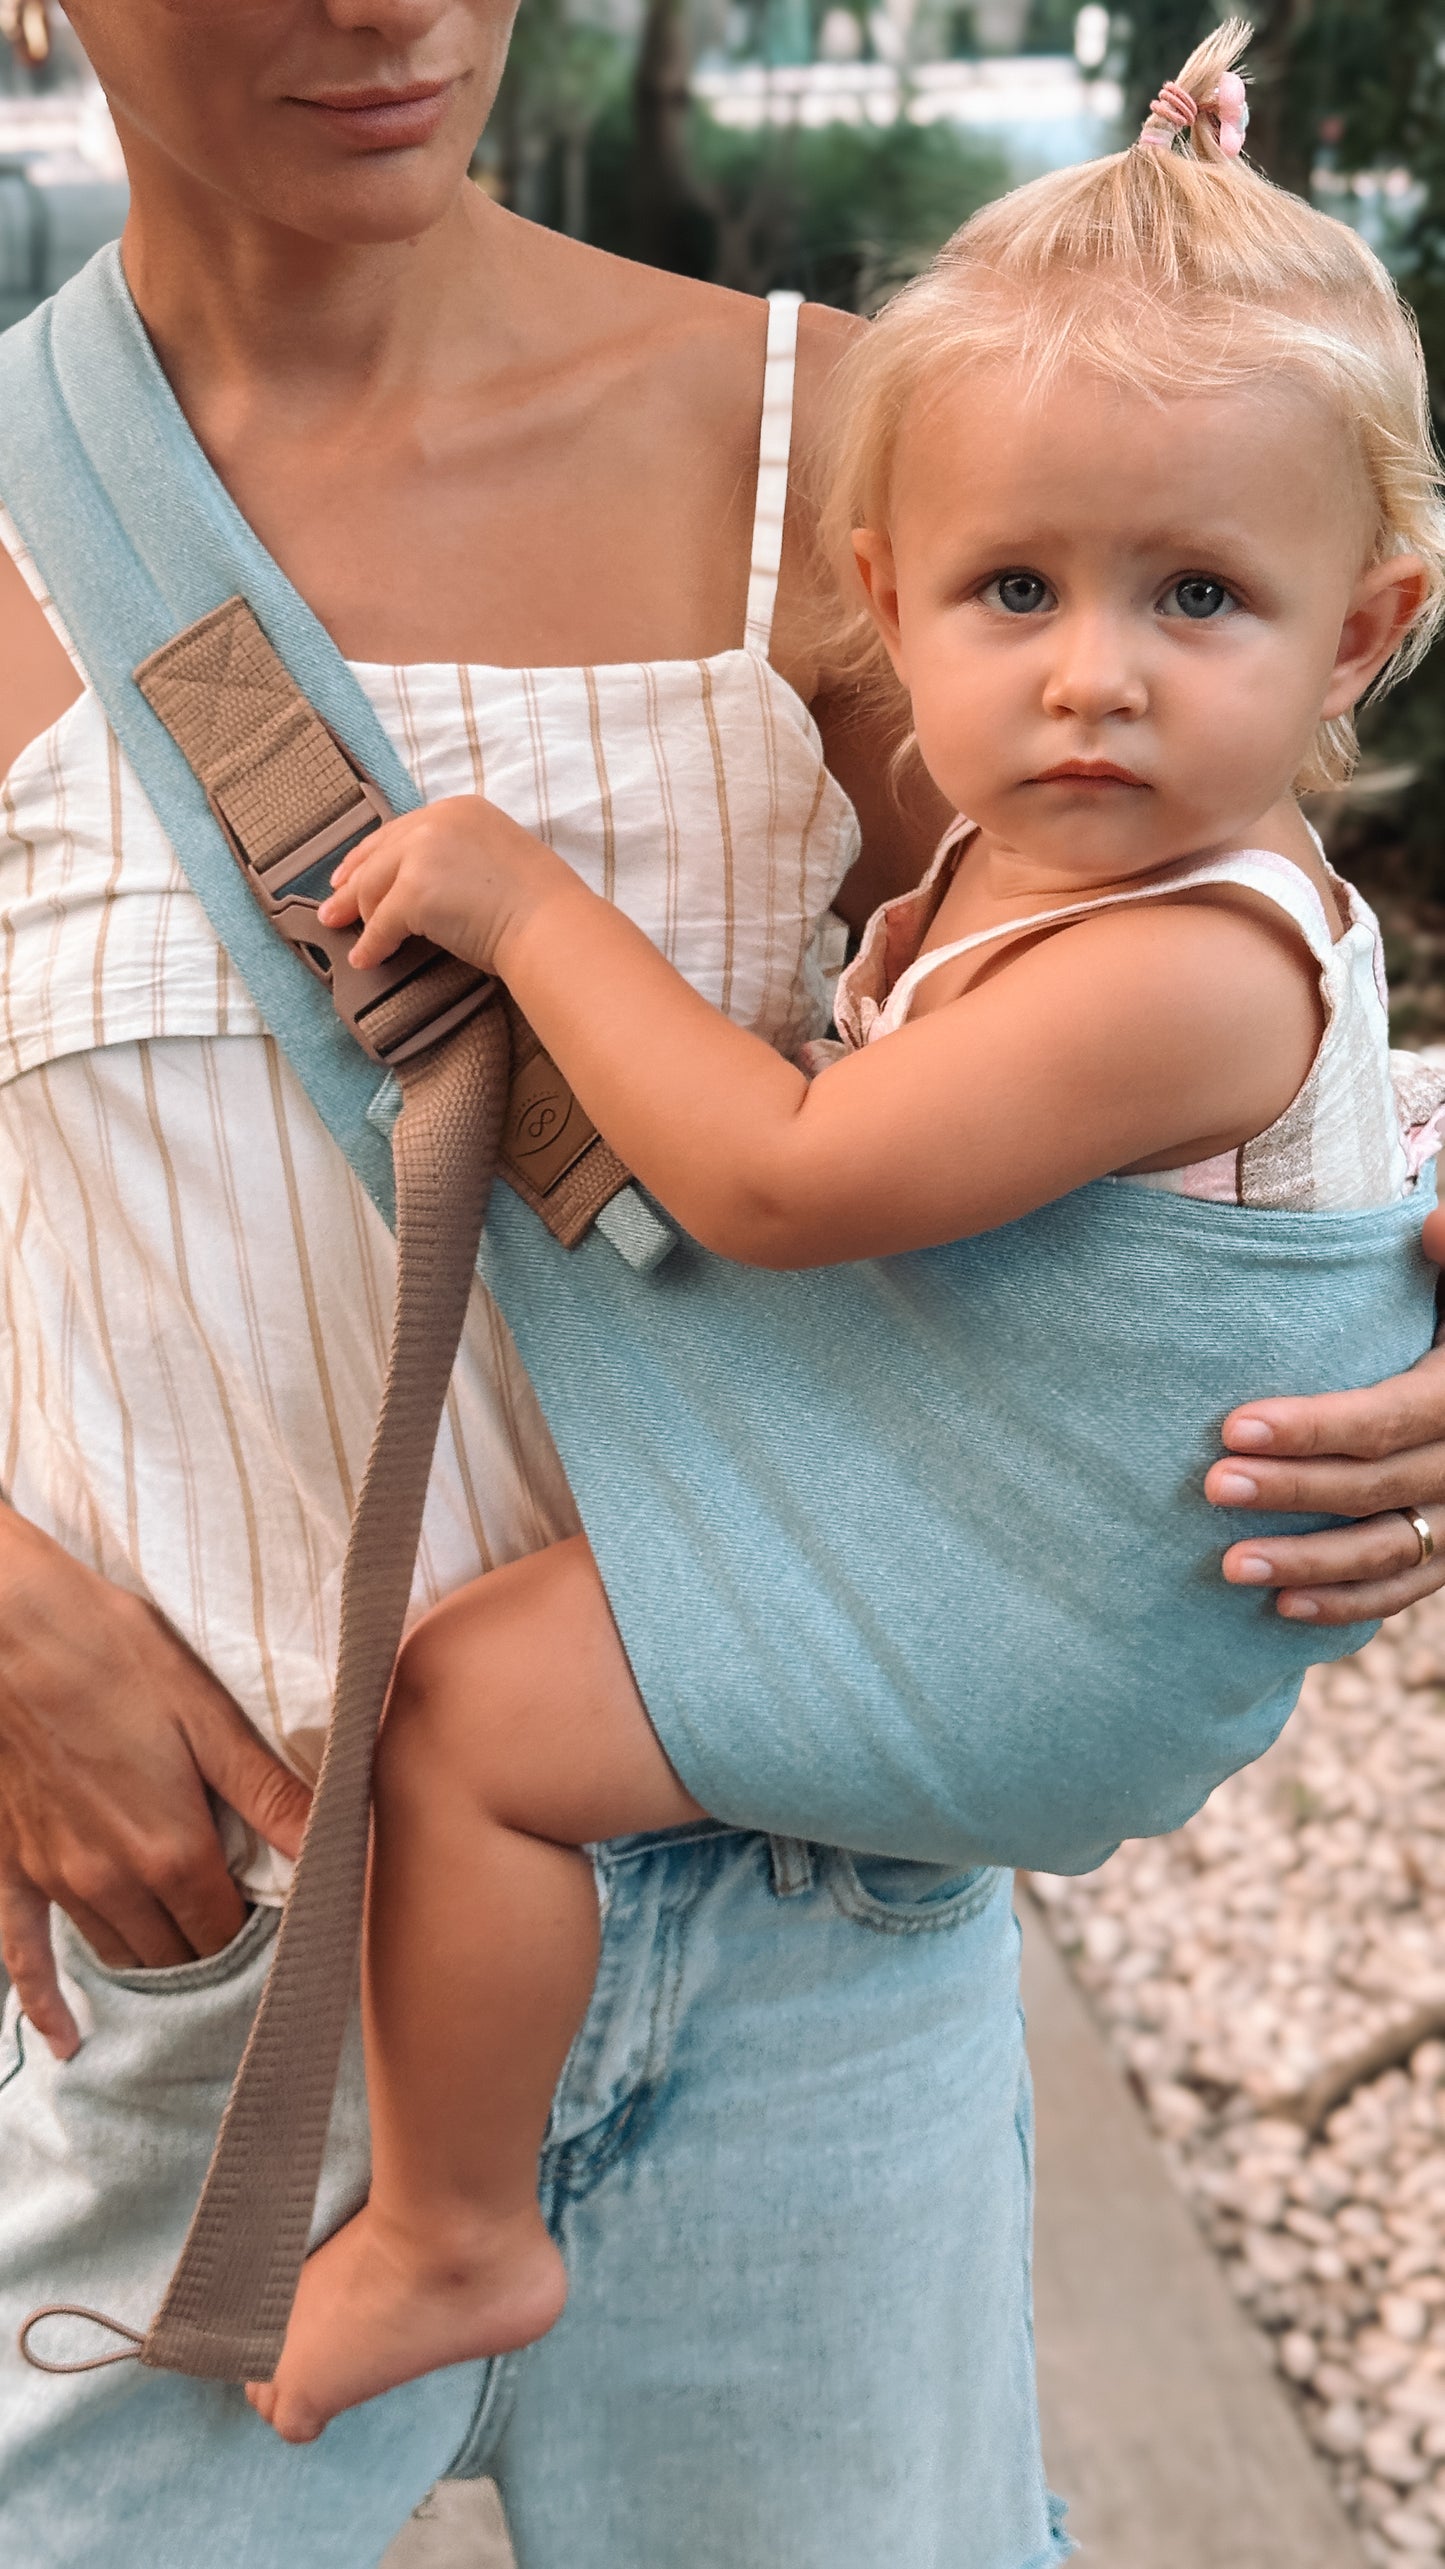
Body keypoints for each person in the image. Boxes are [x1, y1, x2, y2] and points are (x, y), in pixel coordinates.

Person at [2, 7, 1445, 2565]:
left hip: (814, 1938)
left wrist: (1395, 1293)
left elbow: (1167, 1030)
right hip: (212, 1956)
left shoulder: (883, 440)